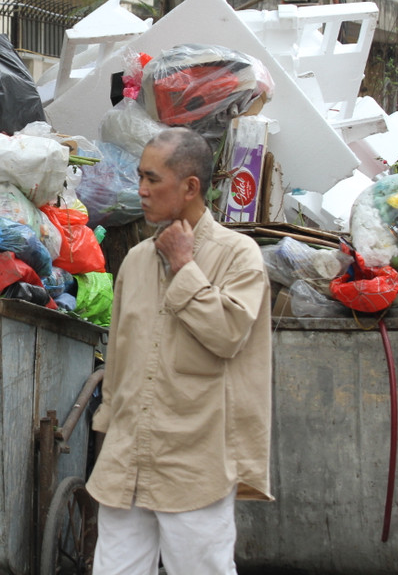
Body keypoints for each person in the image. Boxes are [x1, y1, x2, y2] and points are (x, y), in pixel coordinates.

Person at [86, 126, 272, 575]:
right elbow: (121, 357)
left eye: (153, 179)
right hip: (128, 457)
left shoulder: (238, 255)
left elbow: (228, 333)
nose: (142, 191)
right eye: (140, 178)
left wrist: (184, 266)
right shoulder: (134, 260)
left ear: (190, 188)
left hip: (195, 462)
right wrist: (109, 429)